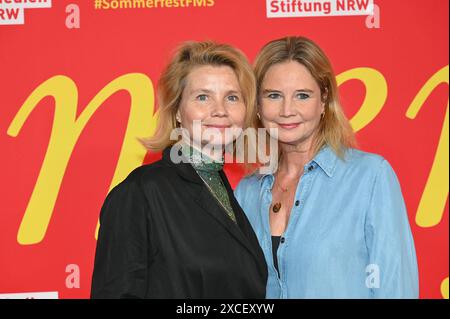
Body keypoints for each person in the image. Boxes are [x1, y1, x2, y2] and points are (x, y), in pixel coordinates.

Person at [234, 36, 419, 298]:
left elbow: (396, 288)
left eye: (302, 95)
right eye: (274, 95)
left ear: (323, 100)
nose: (288, 110)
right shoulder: (246, 192)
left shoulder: (371, 178)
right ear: (258, 106)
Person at [91, 41, 267, 298]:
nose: (220, 110)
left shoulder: (224, 191)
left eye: (232, 97)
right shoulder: (139, 193)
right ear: (177, 110)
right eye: (203, 97)